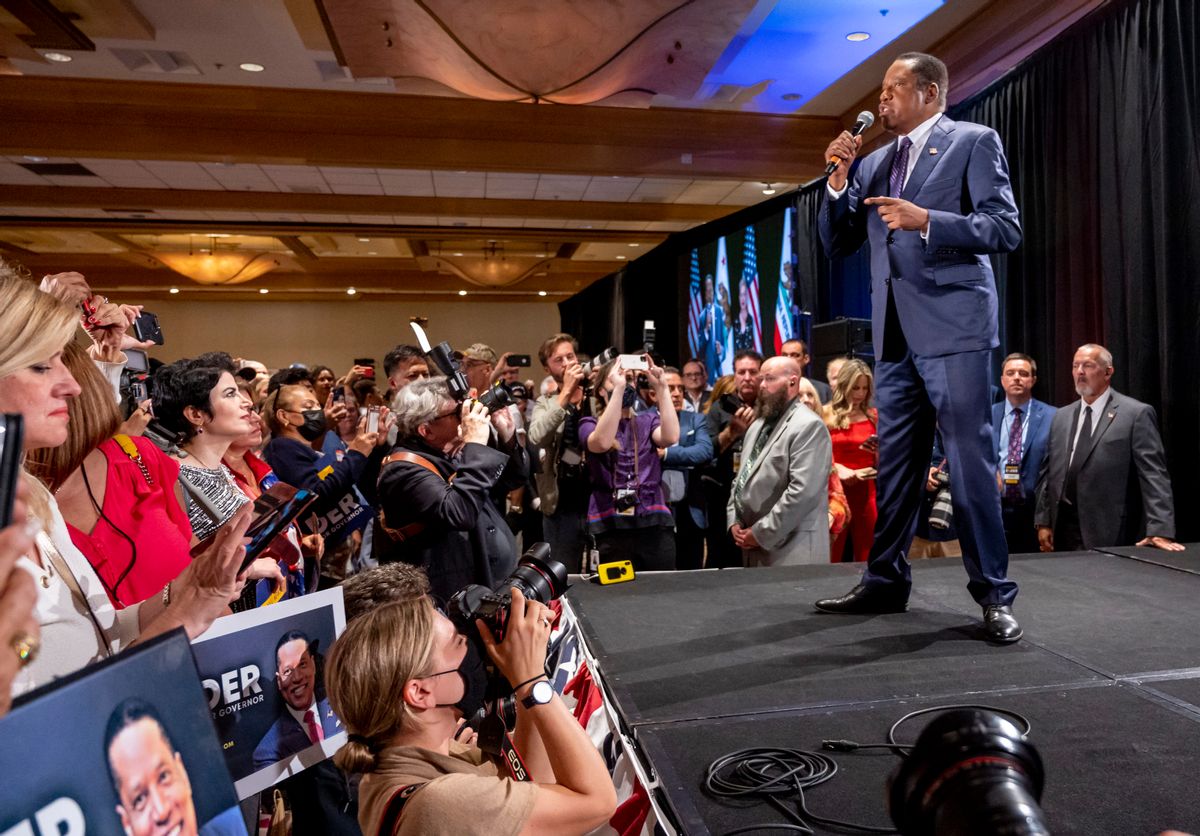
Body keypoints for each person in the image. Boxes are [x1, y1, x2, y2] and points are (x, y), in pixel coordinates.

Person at [814, 52, 1024, 644]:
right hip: (895, 337)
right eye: (880, 91)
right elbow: (839, 243)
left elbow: (1004, 227)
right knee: (898, 466)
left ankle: (994, 596)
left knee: (968, 462)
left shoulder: (973, 141)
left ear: (930, 93)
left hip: (954, 328)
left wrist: (928, 218)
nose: (880, 101)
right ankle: (885, 580)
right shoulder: (877, 161)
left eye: (892, 89)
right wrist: (837, 183)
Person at [1, 265, 256, 698]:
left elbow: (98, 633)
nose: (71, 386)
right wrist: (184, 616)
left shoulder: (35, 495)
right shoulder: (79, 477)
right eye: (43, 366)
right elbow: (44, 698)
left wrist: (190, 591)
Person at [325, 593, 617, 836]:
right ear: (420, 692)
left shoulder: (392, 764)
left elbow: (529, 782)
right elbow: (597, 802)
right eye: (457, 642)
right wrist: (532, 683)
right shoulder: (443, 803)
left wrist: (524, 675)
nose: (470, 646)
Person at [376, 379, 525, 603]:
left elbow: (512, 480)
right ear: (426, 430)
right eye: (457, 413)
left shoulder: (448, 451)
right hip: (449, 598)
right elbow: (459, 513)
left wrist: (507, 434)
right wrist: (475, 445)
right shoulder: (402, 470)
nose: (465, 416)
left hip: (485, 585)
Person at [1035, 344, 1181, 553]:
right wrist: (1043, 520)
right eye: (1076, 366)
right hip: (1063, 529)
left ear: (1108, 372)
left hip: (1110, 529)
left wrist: (1160, 528)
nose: (1080, 372)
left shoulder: (1135, 414)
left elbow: (1153, 475)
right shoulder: (1062, 416)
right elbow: (1049, 473)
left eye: (1088, 365)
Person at [263, 383, 382, 584]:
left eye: (318, 406)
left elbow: (349, 481)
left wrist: (370, 449)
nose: (318, 412)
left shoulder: (307, 447)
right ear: (284, 416)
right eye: (308, 406)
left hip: (339, 551)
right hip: (320, 559)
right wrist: (356, 454)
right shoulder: (282, 448)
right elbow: (315, 494)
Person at [727, 357, 832, 565]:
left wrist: (760, 533)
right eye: (761, 379)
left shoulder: (809, 426)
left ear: (792, 382)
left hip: (791, 546)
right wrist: (734, 518)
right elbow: (741, 478)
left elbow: (802, 493)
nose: (762, 386)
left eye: (769, 379)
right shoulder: (757, 425)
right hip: (752, 544)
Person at [580, 356, 679, 571]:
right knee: (614, 595)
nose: (626, 383)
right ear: (601, 389)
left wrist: (662, 388)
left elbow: (670, 437)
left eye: (631, 379)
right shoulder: (589, 423)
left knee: (662, 590)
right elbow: (603, 441)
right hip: (609, 524)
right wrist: (617, 390)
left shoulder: (647, 419)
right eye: (620, 378)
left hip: (653, 519)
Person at [104, 698, 244, 836]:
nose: (162, 811)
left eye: (163, 776)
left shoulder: (245, 824)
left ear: (183, 774)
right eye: (139, 799)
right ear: (127, 823)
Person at [528, 333, 589, 573]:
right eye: (558, 359)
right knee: (563, 572)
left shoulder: (595, 396)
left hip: (597, 497)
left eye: (570, 356)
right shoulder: (546, 402)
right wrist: (565, 395)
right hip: (561, 502)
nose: (567, 363)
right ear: (547, 368)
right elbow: (537, 436)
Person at [702, 351, 763, 568]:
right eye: (741, 372)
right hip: (724, 488)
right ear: (734, 375)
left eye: (752, 372)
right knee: (721, 552)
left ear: (761, 375)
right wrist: (732, 432)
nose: (747, 377)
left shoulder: (770, 405)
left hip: (761, 490)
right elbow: (706, 450)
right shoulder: (721, 406)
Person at [992, 353, 1055, 554]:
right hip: (996, 510)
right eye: (1010, 373)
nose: (1017, 378)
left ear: (1033, 380)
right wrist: (991, 471)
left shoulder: (1054, 416)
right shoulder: (987, 415)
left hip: (1034, 513)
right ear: (1002, 380)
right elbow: (977, 454)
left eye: (1023, 373)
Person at [253, 631, 341, 770]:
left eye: (302, 665)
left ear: (313, 664)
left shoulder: (341, 703)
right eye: (288, 671)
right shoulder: (268, 752)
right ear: (279, 681)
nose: (297, 677)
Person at [655, 368, 713, 570]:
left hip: (691, 508)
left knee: (692, 573)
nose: (678, 393)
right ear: (656, 392)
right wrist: (685, 454)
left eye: (680, 388)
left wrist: (667, 454)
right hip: (656, 508)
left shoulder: (695, 419)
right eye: (671, 388)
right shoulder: (646, 419)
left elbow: (704, 451)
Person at [823, 359, 879, 563]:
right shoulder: (825, 414)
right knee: (832, 553)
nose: (860, 393)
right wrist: (838, 469)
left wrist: (879, 452)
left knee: (868, 553)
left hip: (866, 491)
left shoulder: (873, 416)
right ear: (844, 385)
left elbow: (881, 462)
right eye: (855, 387)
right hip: (835, 492)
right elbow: (817, 457)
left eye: (865, 388)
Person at [797, 378, 850, 540]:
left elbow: (836, 494)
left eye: (810, 395)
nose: (806, 400)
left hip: (818, 528)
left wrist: (832, 513)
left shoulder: (821, 438)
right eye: (799, 396)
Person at [779, 339, 832, 403]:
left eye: (795, 355)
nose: (788, 359)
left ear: (806, 359)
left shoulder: (822, 390)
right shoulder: (773, 388)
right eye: (784, 355)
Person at [698, 275, 726, 387]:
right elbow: (700, 345)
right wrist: (706, 328)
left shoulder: (719, 311)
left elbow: (723, 339)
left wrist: (722, 350)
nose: (709, 292)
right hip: (708, 360)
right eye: (707, 289)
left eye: (711, 288)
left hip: (719, 359)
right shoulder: (702, 316)